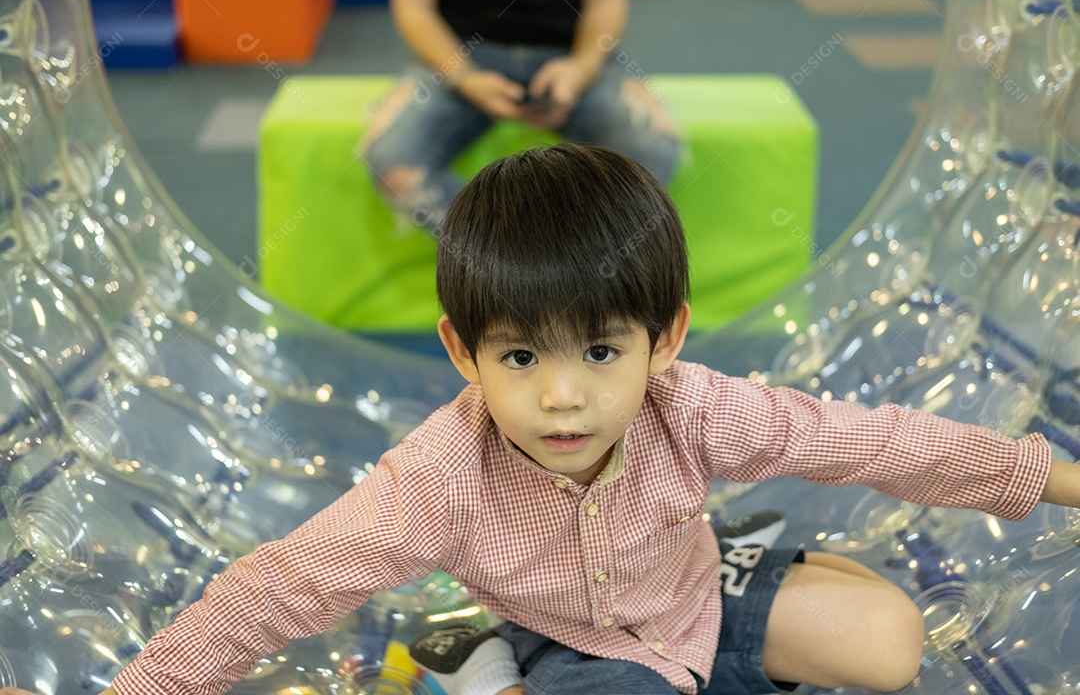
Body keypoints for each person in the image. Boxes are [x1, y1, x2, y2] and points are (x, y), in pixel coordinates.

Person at [4, 143, 1078, 695]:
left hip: (693, 597)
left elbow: (885, 442)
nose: (563, 396)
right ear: (463, 352)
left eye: (601, 351)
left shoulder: (692, 407)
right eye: (520, 357)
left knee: (892, 648)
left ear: (666, 339)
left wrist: (1059, 475)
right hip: (576, 639)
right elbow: (279, 584)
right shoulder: (439, 478)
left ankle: (737, 557)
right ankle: (480, 655)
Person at [360, 0, 682, 237]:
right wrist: (464, 77)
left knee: (653, 152)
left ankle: (578, 263)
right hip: (459, 55)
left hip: (572, 51)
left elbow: (605, 0)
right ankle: (498, 261)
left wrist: (581, 68)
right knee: (392, 160)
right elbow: (414, 8)